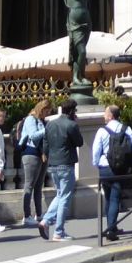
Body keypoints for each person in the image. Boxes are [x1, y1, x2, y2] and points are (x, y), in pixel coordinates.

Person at [38, 98, 84, 241]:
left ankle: (45, 221)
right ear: (71, 111)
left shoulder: (50, 124)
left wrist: (46, 153)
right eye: (74, 110)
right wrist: (75, 124)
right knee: (64, 197)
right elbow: (80, 142)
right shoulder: (71, 125)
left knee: (59, 195)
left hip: (53, 164)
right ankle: (58, 232)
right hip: (66, 164)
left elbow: (45, 140)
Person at [90, 104, 132, 242]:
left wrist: (97, 164)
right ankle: (112, 227)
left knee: (109, 198)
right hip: (120, 169)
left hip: (105, 168)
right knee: (116, 198)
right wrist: (131, 165)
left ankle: (110, 228)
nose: (104, 116)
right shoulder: (126, 129)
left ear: (110, 115)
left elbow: (95, 151)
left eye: (105, 113)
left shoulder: (102, 131)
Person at [17, 99, 51, 227]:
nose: (47, 113)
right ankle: (26, 216)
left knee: (39, 186)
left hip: (41, 154)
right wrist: (47, 129)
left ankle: (39, 213)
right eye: (46, 111)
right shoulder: (31, 119)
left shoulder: (42, 121)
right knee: (29, 185)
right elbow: (33, 135)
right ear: (41, 109)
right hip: (31, 153)